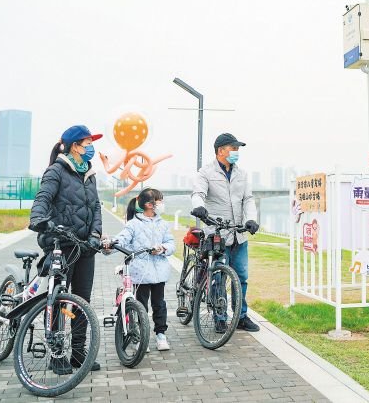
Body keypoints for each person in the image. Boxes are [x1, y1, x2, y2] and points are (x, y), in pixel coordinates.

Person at [29, 125, 103, 374]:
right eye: (87, 142)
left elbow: (96, 209)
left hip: (85, 247)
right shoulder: (56, 171)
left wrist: (95, 235)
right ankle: (57, 353)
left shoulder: (90, 174)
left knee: (82, 301)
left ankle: (79, 353)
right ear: (75, 146)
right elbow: (43, 198)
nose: (91, 147)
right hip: (62, 243)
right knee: (59, 298)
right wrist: (38, 218)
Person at [191, 133, 260, 332]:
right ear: (221, 150)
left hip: (239, 232)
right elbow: (198, 194)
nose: (236, 152)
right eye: (233, 148)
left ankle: (241, 316)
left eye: (238, 149)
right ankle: (219, 316)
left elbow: (248, 199)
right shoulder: (206, 172)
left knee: (241, 277)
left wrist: (251, 219)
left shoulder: (242, 174)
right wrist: (199, 207)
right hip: (217, 232)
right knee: (218, 277)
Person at [104, 187, 174, 351]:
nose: (162, 204)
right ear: (150, 204)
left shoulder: (163, 224)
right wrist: (109, 245)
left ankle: (160, 335)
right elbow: (122, 239)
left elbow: (171, 243)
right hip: (140, 273)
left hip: (159, 273)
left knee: (159, 305)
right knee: (141, 306)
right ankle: (141, 337)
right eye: (160, 201)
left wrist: (163, 248)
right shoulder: (133, 224)